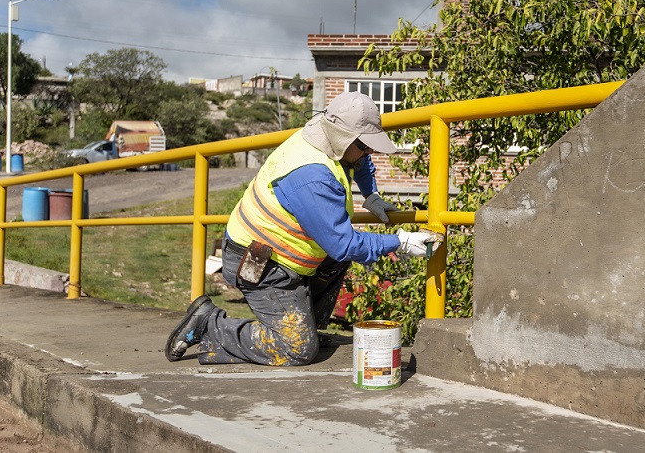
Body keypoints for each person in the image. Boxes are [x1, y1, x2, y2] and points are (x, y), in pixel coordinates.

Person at [164, 91, 440, 366]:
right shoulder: (311, 176)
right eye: (365, 146)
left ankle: (303, 328)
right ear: (344, 138)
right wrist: (399, 242)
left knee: (334, 266)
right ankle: (209, 325)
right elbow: (343, 244)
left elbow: (360, 161)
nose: (370, 152)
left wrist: (371, 195)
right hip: (258, 263)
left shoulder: (325, 135)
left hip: (279, 255)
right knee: (296, 350)